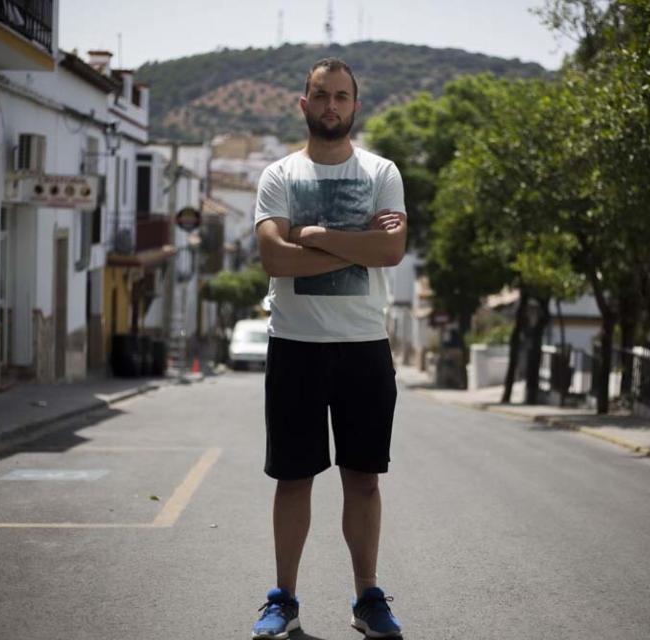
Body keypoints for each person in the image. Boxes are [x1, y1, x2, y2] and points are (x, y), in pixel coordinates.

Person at [251, 57, 406, 639]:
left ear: (355, 105)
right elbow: (274, 257)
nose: (331, 105)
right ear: (304, 103)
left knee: (363, 479)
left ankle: (368, 599)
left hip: (365, 346)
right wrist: (356, 244)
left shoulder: (382, 172)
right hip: (295, 345)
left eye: (341, 96)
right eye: (321, 95)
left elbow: (390, 252)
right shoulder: (279, 175)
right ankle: (283, 601)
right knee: (293, 478)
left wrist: (314, 237)